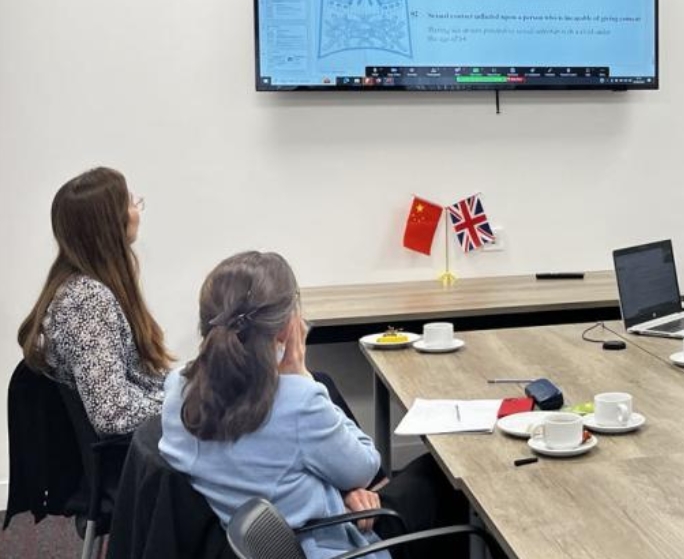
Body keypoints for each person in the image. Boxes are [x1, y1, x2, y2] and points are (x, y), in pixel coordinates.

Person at [159, 251, 473, 559]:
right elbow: (365, 466)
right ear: (287, 327)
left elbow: (272, 461)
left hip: (265, 536)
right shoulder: (296, 400)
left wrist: (345, 490)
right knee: (441, 474)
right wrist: (303, 376)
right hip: (331, 542)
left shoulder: (178, 389)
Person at [18, 166, 172, 436]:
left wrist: (187, 386)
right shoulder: (87, 300)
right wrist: (185, 407)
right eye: (130, 203)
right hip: (127, 456)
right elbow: (112, 413)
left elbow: (132, 383)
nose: (137, 209)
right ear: (110, 221)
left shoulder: (89, 289)